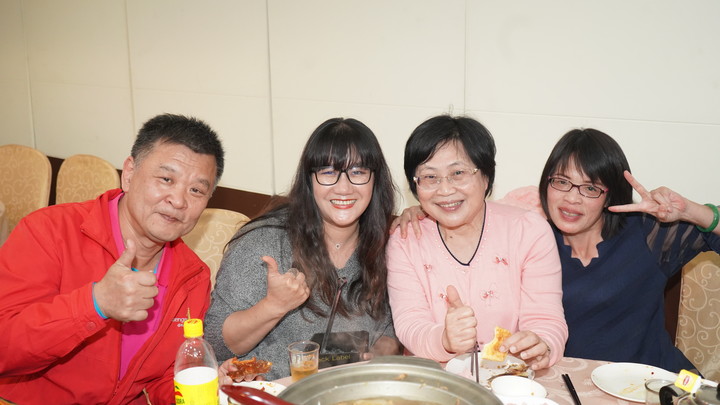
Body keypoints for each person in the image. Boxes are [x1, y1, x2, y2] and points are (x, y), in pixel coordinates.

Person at [0, 113, 225, 404]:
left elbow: (161, 380)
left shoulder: (193, 276)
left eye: (196, 190)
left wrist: (209, 388)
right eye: (166, 179)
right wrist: (95, 303)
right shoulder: (49, 231)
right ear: (129, 173)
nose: (179, 200)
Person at [204, 117, 401, 380]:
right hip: (271, 391)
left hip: (349, 391)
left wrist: (385, 348)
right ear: (309, 180)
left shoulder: (390, 247)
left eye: (358, 172)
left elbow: (392, 331)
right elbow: (215, 344)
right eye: (328, 172)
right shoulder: (264, 243)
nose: (344, 188)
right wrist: (273, 305)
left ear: (374, 180)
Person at [387, 115, 567, 371]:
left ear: (485, 177)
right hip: (434, 382)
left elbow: (546, 319)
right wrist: (444, 340)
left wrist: (543, 344)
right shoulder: (407, 239)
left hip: (508, 379)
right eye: (430, 177)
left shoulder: (527, 231)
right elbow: (410, 323)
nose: (445, 190)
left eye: (458, 173)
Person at [537, 128, 720, 372]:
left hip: (655, 383)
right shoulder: (533, 242)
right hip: (572, 384)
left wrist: (690, 212)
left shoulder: (648, 232)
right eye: (561, 182)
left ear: (609, 196)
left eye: (590, 188)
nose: (572, 198)